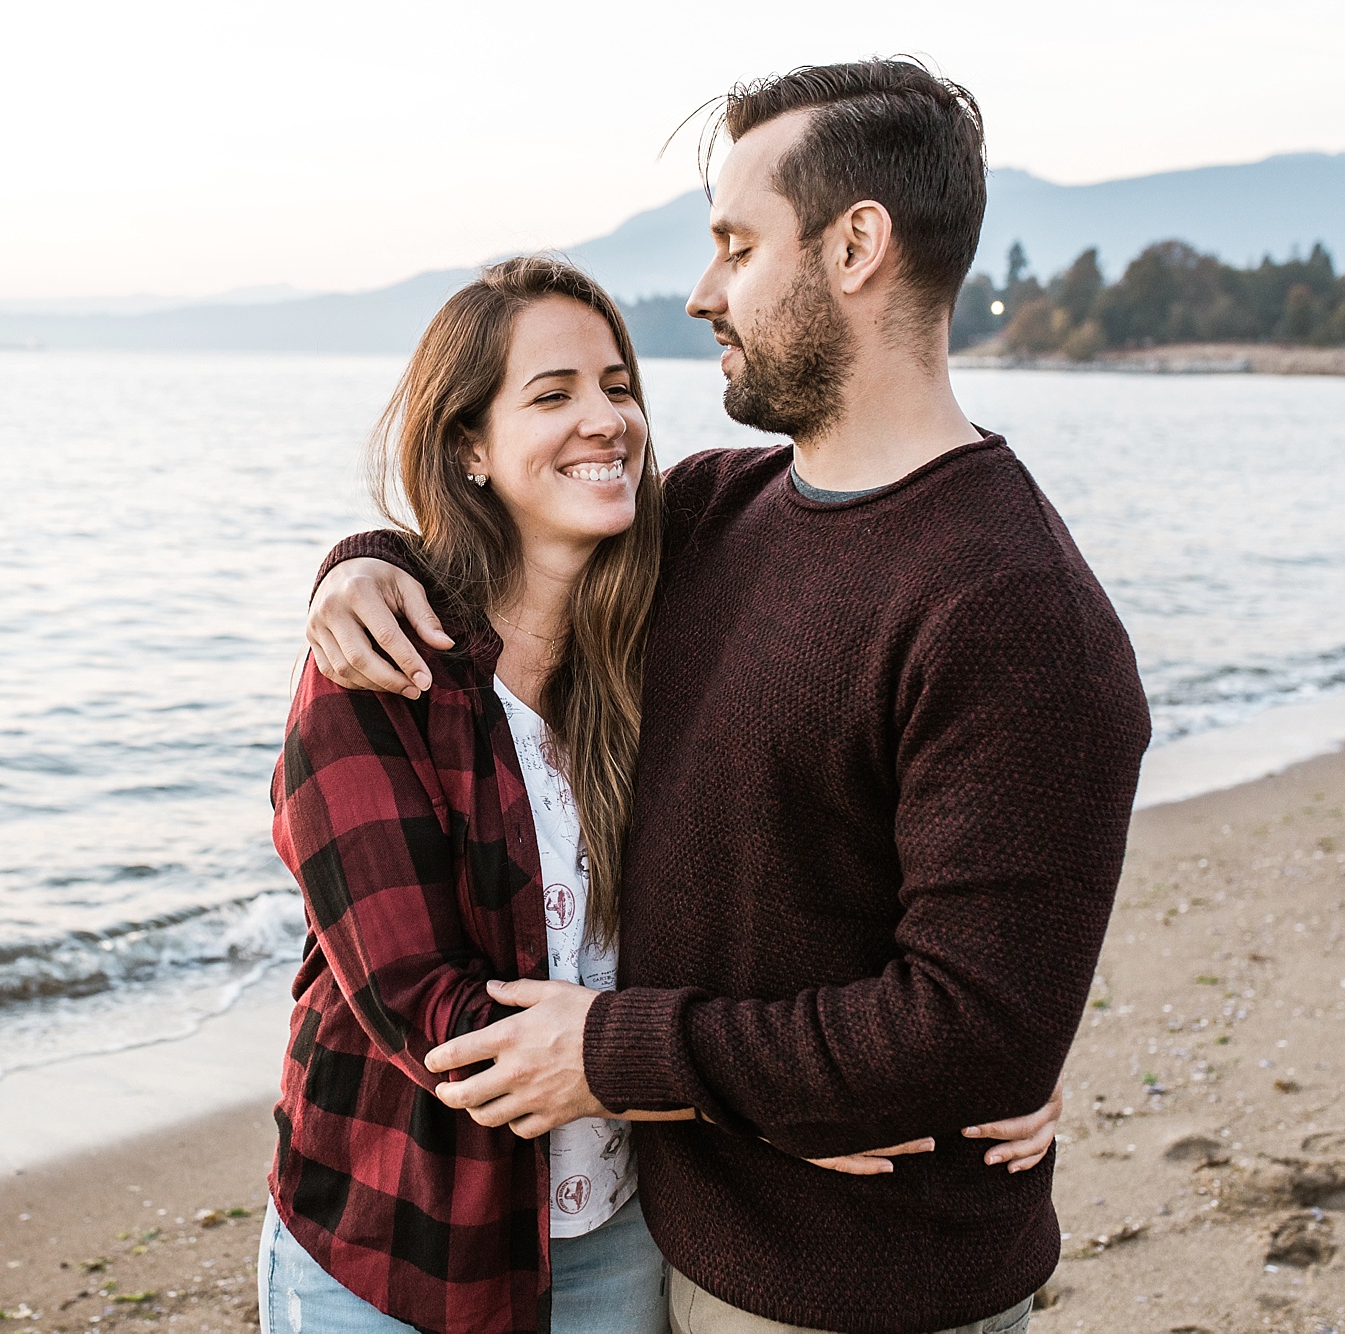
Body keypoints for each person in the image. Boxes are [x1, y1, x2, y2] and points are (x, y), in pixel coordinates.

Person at [304, 60, 1150, 1334]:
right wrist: (357, 566)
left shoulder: (1014, 609)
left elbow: (973, 1036)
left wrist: (618, 1055)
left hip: (861, 1286)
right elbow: (511, 530)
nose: (700, 295)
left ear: (855, 245)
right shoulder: (715, 513)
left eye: (735, 245)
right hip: (672, 1254)